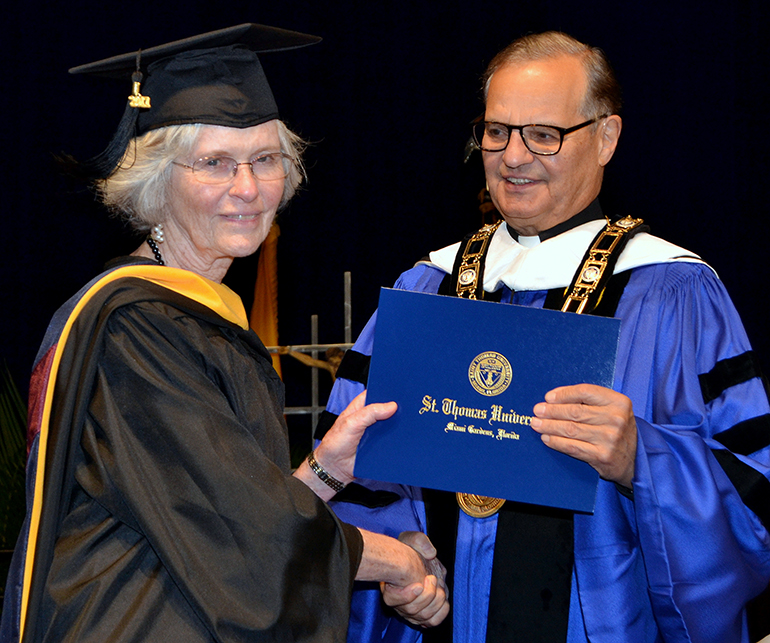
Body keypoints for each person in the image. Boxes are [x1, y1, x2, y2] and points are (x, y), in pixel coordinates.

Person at [0, 24, 449, 642]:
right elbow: (238, 528)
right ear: (156, 183)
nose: (248, 187)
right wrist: (396, 560)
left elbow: (212, 518)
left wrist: (324, 469)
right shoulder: (137, 329)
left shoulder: (195, 316)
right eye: (214, 163)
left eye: (265, 159)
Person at [319, 31, 770, 642]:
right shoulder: (428, 287)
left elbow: (755, 493)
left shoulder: (671, 294)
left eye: (544, 135)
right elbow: (352, 463)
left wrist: (643, 456)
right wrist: (398, 550)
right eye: (496, 131)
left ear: (606, 137)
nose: (513, 156)